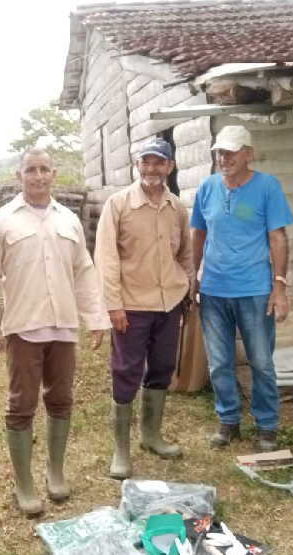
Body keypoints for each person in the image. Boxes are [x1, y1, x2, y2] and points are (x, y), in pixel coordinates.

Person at [0, 147, 110, 516]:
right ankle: (24, 484)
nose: (38, 176)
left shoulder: (68, 219)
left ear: (54, 174)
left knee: (62, 399)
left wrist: (95, 317)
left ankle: (55, 472)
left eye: (44, 169)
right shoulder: (1, 221)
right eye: (30, 170)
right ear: (19, 175)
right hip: (22, 326)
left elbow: (83, 270)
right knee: (21, 404)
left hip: (64, 325)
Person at [94, 138, 193, 479]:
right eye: (146, 162)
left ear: (170, 167)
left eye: (158, 163)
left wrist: (186, 291)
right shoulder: (118, 204)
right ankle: (121, 450)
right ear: (138, 166)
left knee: (163, 368)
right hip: (131, 306)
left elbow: (186, 255)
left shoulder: (177, 207)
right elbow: (106, 259)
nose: (151, 169)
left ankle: (151, 436)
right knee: (126, 372)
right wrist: (113, 305)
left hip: (169, 304)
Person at [190, 125, 293, 452]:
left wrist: (279, 287)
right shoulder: (207, 188)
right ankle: (228, 421)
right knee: (219, 362)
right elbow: (198, 234)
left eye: (231, 152)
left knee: (261, 361)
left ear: (248, 152)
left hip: (254, 289)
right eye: (220, 152)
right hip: (214, 290)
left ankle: (266, 426)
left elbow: (277, 237)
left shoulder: (267, 187)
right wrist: (193, 275)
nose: (224, 158)